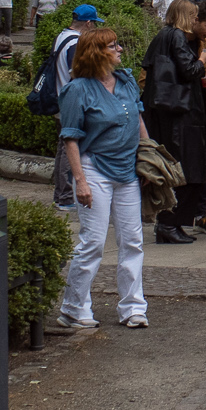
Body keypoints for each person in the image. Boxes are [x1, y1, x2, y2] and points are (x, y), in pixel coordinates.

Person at [55, 28, 150, 331]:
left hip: (128, 171)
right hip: (94, 167)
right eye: (112, 46)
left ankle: (133, 307)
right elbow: (70, 138)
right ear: (97, 53)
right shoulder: (77, 89)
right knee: (93, 241)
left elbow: (138, 119)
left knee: (132, 240)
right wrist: (79, 181)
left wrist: (149, 159)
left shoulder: (125, 80)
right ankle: (73, 307)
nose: (120, 48)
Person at [143, 0, 206, 243]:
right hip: (180, 113)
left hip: (166, 109)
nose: (196, 19)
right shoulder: (176, 37)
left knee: (179, 168)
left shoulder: (163, 36)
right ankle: (169, 224)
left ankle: (172, 224)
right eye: (194, 15)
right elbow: (188, 70)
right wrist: (203, 61)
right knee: (184, 169)